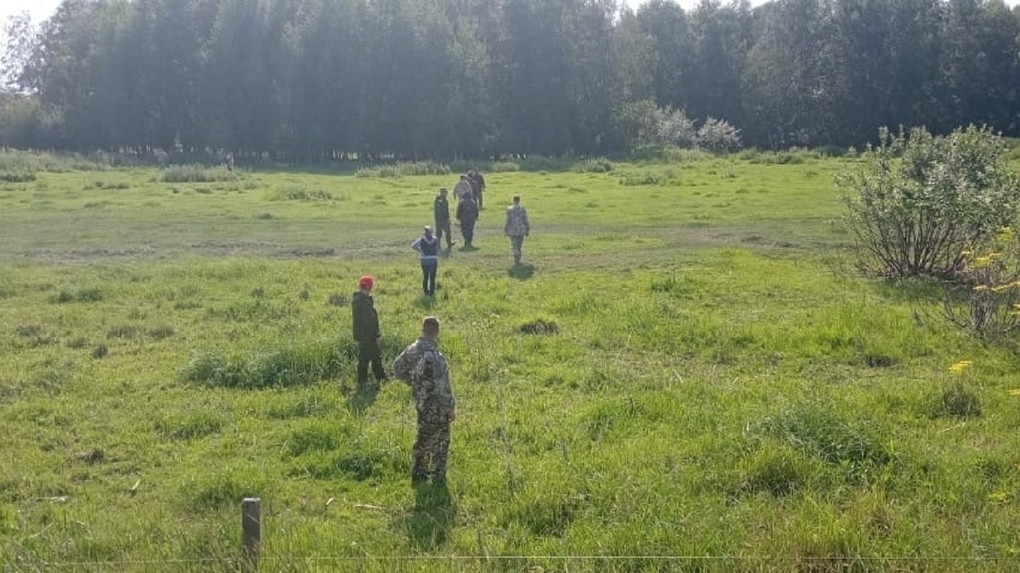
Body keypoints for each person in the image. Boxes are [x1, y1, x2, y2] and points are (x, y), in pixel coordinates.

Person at [392, 316, 455, 484]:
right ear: (436, 332)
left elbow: (396, 369)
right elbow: (442, 385)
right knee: (441, 440)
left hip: (421, 401)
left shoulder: (411, 350)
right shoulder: (435, 356)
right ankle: (437, 476)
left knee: (423, 437)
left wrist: (415, 383)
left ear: (423, 329)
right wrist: (450, 407)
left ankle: (418, 472)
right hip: (437, 405)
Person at [351, 276, 387, 386]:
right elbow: (369, 322)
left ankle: (362, 382)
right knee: (375, 358)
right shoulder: (364, 303)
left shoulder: (358, 300)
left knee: (363, 359)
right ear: (369, 287)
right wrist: (376, 336)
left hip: (361, 335)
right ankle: (381, 380)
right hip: (369, 336)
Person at [411, 225, 441, 296]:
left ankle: (425, 291)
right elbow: (437, 249)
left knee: (426, 276)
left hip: (424, 260)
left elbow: (413, 246)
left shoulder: (421, 239)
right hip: (433, 260)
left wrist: (420, 251)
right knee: (432, 277)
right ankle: (432, 292)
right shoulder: (435, 239)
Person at [503, 194, 530, 266]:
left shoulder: (509, 209)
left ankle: (516, 257)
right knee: (519, 245)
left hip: (512, 230)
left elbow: (507, 220)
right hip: (521, 230)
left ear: (513, 200)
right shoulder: (522, 209)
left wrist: (505, 229)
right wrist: (527, 229)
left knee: (513, 244)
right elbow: (525, 220)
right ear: (519, 200)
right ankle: (517, 259)